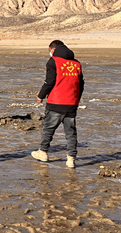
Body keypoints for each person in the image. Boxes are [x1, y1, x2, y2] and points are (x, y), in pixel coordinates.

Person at [31, 40, 84, 169]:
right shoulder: (77, 63)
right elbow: (81, 84)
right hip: (71, 103)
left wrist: (40, 96)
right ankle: (71, 159)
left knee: (48, 129)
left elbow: (49, 81)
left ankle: (43, 152)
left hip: (56, 102)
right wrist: (76, 99)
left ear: (53, 49)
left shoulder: (53, 61)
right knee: (71, 133)